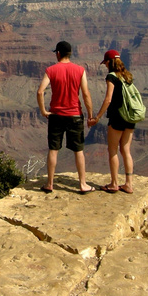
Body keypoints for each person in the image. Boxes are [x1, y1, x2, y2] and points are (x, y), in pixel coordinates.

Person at [37, 41, 97, 194]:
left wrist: (43, 110)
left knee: (53, 149)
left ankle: (50, 184)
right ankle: (83, 184)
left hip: (56, 115)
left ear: (58, 53)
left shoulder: (51, 70)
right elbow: (86, 94)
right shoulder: (80, 70)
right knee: (78, 150)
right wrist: (90, 116)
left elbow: (40, 92)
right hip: (75, 115)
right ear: (69, 53)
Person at [98, 49, 137, 194]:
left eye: (106, 63)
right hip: (130, 117)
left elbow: (108, 98)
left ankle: (114, 183)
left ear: (109, 62)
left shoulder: (111, 77)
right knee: (126, 150)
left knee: (113, 150)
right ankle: (128, 184)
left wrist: (97, 116)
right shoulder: (127, 76)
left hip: (117, 117)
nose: (105, 65)